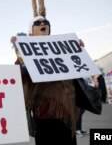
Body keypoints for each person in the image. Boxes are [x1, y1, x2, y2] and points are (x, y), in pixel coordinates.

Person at [11, 16, 80, 145]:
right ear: (31, 33)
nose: (43, 23)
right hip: (44, 114)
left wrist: (78, 51)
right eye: (38, 23)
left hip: (66, 112)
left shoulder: (62, 49)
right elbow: (19, 76)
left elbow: (79, 73)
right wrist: (20, 54)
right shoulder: (25, 54)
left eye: (46, 22)